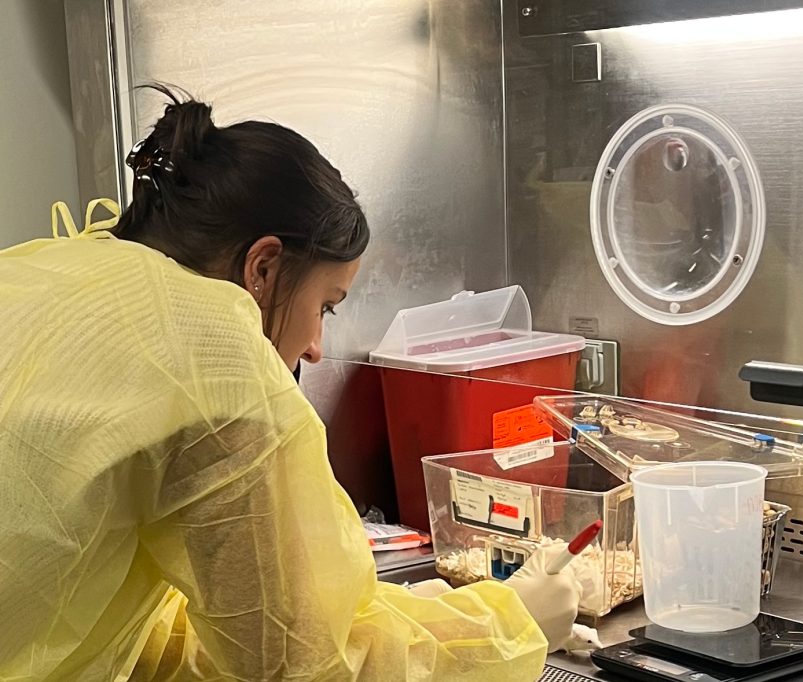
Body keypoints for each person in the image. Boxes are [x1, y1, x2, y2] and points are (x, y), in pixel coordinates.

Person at [0, 86, 581, 681]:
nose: (315, 348)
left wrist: (415, 621)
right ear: (264, 267)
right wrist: (507, 629)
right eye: (326, 306)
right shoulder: (213, 359)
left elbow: (131, 626)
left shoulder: (42, 271)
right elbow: (295, 670)